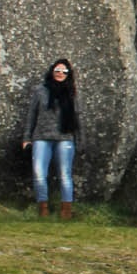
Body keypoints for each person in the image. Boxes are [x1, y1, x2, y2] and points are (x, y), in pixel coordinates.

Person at [22, 59, 80, 218]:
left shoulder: (72, 93)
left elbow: (78, 119)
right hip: (41, 137)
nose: (60, 73)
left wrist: (80, 141)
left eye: (64, 71)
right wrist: (27, 138)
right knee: (39, 173)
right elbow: (32, 115)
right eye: (57, 70)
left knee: (65, 175)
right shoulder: (40, 91)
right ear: (52, 72)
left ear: (68, 74)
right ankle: (43, 210)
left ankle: (66, 212)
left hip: (65, 138)